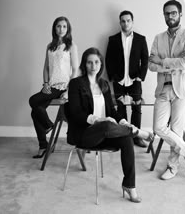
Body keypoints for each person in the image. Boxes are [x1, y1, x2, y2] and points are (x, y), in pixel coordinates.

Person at [65, 47, 154, 203]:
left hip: (105, 133)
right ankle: (137, 132)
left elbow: (112, 112)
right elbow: (75, 113)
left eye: (96, 62)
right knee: (106, 125)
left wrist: (124, 122)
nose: (93, 66)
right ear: (84, 65)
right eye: (89, 62)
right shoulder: (75, 84)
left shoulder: (104, 84)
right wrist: (99, 120)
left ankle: (129, 186)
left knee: (125, 139)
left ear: (101, 64)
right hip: (85, 135)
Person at [148, 0, 185, 180]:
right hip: (163, 88)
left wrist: (162, 61)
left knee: (176, 130)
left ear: (180, 14)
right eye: (166, 13)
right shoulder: (158, 38)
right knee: (159, 127)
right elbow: (150, 65)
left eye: (173, 13)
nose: (170, 16)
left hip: (183, 90)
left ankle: (172, 166)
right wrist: (171, 64)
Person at [29, 16, 79, 159]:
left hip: (63, 87)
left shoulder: (71, 46)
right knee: (35, 110)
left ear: (67, 28)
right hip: (50, 86)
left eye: (64, 26)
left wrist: (69, 91)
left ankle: (48, 127)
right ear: (54, 28)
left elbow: (75, 70)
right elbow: (45, 68)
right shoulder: (50, 46)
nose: (61, 29)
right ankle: (44, 144)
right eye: (58, 26)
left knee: (33, 101)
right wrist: (45, 84)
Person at [105, 10, 149, 148]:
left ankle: (136, 137)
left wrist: (140, 77)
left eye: (128, 20)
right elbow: (108, 59)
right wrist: (112, 77)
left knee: (136, 108)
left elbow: (145, 60)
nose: (126, 23)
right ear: (120, 23)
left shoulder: (141, 39)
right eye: (123, 21)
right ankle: (124, 137)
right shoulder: (113, 39)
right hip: (119, 81)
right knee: (120, 109)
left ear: (132, 21)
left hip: (134, 80)